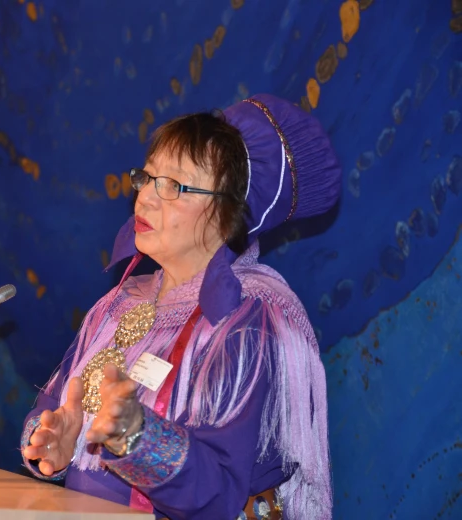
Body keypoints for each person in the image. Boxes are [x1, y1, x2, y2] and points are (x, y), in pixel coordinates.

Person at [20, 94, 341, 520]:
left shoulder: (248, 322)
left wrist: (137, 437)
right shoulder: (117, 303)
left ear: (227, 214)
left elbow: (223, 491)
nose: (146, 199)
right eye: (147, 178)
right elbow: (56, 407)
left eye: (174, 186)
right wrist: (54, 443)